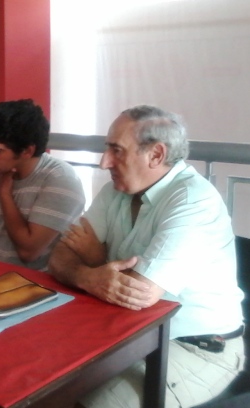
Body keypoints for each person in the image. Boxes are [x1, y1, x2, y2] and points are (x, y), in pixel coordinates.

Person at [48, 105, 245, 408]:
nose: (104, 162)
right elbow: (60, 256)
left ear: (156, 155)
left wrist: (96, 259)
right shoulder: (115, 191)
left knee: (84, 403)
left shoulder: (193, 199)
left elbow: (137, 294)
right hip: (127, 335)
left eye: (116, 150)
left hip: (196, 348)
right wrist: (88, 275)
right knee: (40, 381)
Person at [0, 99, 85, 271]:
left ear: (27, 151)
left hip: (39, 282)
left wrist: (4, 194)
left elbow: (28, 252)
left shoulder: (61, 180)